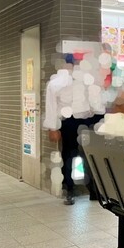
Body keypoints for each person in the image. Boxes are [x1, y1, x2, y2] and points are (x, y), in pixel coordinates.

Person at [44, 53, 107, 205]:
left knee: (88, 155)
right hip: (69, 122)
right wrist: (53, 127)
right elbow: (51, 106)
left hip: (87, 120)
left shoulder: (88, 80)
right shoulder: (57, 83)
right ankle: (69, 190)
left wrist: (101, 119)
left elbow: (96, 101)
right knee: (69, 155)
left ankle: (93, 190)